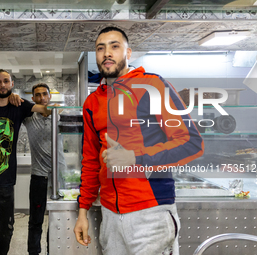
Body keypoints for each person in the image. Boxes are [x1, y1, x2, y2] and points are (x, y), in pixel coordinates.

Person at [73, 27, 204, 255]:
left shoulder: (153, 86)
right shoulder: (92, 103)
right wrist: (83, 211)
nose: (107, 53)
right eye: (100, 48)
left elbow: (190, 143)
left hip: (150, 213)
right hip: (110, 216)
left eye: (115, 46)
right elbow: (91, 160)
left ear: (128, 52)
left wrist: (135, 157)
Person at [0, 69, 51, 255]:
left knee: (6, 229)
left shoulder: (19, 106)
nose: (2, 85)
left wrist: (53, 107)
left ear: (12, 84)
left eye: (6, 81)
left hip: (6, 180)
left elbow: (45, 110)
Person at [21, 83, 66, 255]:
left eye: (44, 94)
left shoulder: (59, 116)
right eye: (37, 95)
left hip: (60, 177)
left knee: (57, 218)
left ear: (49, 96)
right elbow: (19, 107)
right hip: (39, 177)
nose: (42, 98)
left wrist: (58, 109)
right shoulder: (29, 118)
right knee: (35, 221)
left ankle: (52, 251)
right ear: (33, 99)